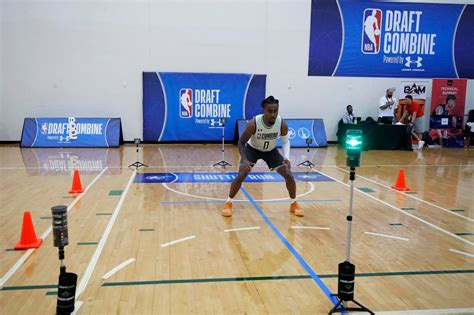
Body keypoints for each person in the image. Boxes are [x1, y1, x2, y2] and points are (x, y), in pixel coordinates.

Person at [222, 96, 304, 217]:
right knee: (242, 174)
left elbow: (286, 141)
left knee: (288, 174)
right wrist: (244, 160)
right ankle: (228, 202)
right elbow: (241, 142)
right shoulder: (253, 123)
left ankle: (293, 203)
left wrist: (286, 157)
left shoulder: (281, 123)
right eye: (270, 111)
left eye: (275, 111)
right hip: (253, 149)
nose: (273, 114)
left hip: (271, 151)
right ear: (263, 110)